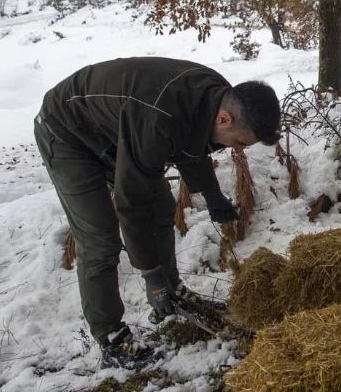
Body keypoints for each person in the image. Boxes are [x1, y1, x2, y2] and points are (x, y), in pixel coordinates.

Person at [33, 57, 281, 369]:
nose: (239, 150)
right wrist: (151, 275)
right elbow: (132, 202)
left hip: (113, 129)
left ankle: (172, 291)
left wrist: (213, 195)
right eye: (240, 142)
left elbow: (191, 143)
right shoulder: (160, 117)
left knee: (163, 207)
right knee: (100, 237)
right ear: (224, 120)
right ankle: (111, 334)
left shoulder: (213, 95)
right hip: (66, 132)